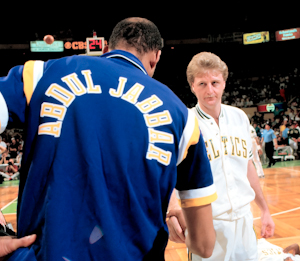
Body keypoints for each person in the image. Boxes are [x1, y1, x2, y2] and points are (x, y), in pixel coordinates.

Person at [0, 18, 217, 260]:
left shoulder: (42, 74)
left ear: (106, 49)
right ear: (156, 57)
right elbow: (204, 245)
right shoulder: (182, 117)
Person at [167, 52, 275, 261]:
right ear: (192, 86)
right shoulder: (186, 122)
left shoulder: (239, 117)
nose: (210, 90)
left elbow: (248, 166)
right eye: (202, 84)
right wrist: (171, 208)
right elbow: (168, 172)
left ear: (224, 83)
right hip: (206, 224)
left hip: (244, 220)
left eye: (215, 82)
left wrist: (265, 209)